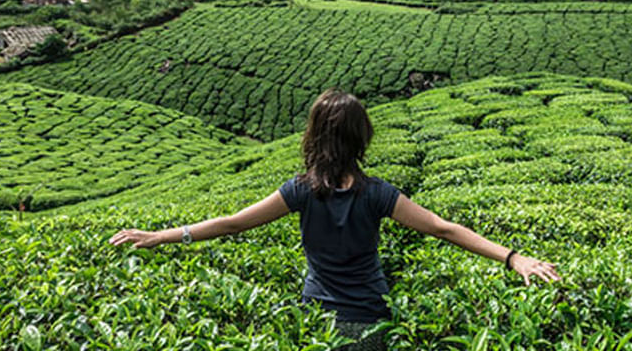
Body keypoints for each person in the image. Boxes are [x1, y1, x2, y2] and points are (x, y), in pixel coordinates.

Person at [110, 89, 560, 348]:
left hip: (319, 321)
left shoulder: (300, 192)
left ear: (313, 137)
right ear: (362, 137)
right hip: (371, 323)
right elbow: (444, 228)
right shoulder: (379, 194)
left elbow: (231, 223)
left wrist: (160, 236)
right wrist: (513, 258)